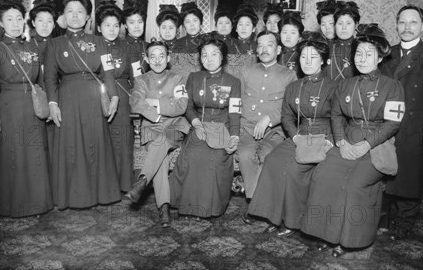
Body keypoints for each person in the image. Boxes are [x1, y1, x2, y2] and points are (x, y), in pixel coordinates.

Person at [303, 24, 405, 257]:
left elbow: (393, 123)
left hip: (377, 145)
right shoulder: (345, 84)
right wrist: (341, 141)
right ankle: (325, 234)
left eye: (369, 54)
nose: (362, 58)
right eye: (358, 53)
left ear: (379, 57)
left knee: (352, 184)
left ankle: (349, 240)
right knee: (323, 175)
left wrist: (366, 144)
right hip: (347, 140)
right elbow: (337, 115)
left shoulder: (393, 87)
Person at [248, 31, 337, 237]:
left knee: (294, 170)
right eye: (303, 57)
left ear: (323, 60)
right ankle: (272, 216)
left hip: (324, 136)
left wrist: (330, 142)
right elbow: (287, 116)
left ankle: (292, 221)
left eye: (313, 57)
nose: (307, 62)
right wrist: (295, 136)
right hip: (300, 134)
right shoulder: (294, 86)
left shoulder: (334, 86)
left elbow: (338, 118)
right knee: (273, 161)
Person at [44, 0, 121, 209]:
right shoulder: (54, 44)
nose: (75, 15)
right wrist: (52, 103)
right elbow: (49, 77)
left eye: (80, 11)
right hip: (67, 99)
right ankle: (72, 197)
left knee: (94, 145)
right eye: (70, 11)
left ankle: (101, 194)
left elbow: (107, 73)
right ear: (63, 16)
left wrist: (114, 98)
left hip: (94, 99)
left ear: (88, 16)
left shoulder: (100, 42)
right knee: (71, 148)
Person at [0, 0, 52, 217]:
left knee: (34, 155)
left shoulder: (33, 48)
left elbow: (40, 81)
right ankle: (9, 204)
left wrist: (46, 106)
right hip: (8, 109)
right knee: (11, 156)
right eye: (9, 19)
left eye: (19, 18)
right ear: (0, 23)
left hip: (32, 107)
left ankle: (37, 203)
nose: (15, 23)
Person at [380, 5, 423, 230]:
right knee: (385, 170)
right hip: (387, 125)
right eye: (402, 22)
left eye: (412, 22)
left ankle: (403, 223)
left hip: (417, 127)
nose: (407, 27)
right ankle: (382, 219)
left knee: (410, 175)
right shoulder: (385, 54)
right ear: (397, 25)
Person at [169, 38, 241, 218]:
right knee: (192, 155)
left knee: (215, 159)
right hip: (199, 125)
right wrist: (195, 122)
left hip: (222, 127)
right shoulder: (194, 78)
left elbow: (234, 113)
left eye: (214, 54)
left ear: (223, 56)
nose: (209, 59)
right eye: (204, 55)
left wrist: (234, 136)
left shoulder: (233, 82)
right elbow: (187, 106)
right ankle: (187, 206)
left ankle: (212, 207)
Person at [126, 41, 190, 227]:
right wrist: (156, 115)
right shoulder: (141, 80)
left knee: (161, 141)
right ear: (146, 59)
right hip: (151, 127)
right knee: (160, 160)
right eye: (152, 56)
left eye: (161, 55)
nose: (157, 60)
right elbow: (136, 103)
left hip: (175, 127)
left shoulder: (178, 78)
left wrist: (154, 102)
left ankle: (142, 181)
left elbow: (181, 106)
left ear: (168, 58)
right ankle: (164, 208)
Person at [237, 31, 298, 223]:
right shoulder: (247, 71)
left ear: (279, 49)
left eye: (269, 45)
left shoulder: (288, 75)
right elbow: (237, 100)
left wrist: (270, 119)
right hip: (247, 129)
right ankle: (255, 204)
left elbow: (291, 107)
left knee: (268, 157)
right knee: (246, 155)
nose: (264, 49)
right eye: (260, 45)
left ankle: (261, 205)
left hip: (274, 132)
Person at [95, 0, 134, 192]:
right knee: (100, 140)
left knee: (122, 142)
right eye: (107, 25)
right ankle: (102, 184)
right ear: (98, 26)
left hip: (122, 95)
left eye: (116, 25)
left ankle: (123, 183)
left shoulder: (127, 46)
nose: (112, 29)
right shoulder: (92, 46)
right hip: (97, 95)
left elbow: (136, 75)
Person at [28, 0, 58, 163]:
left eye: (49, 21)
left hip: (59, 104)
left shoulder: (61, 45)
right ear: (33, 23)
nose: (45, 25)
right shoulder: (28, 47)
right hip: (36, 105)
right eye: (40, 21)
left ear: (54, 24)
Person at [329, 3, 360, 80]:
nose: (344, 28)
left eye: (348, 23)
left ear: (356, 25)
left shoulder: (361, 48)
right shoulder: (328, 47)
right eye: (340, 23)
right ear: (334, 25)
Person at [122, 0, 149, 78]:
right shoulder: (120, 45)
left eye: (140, 22)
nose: (137, 26)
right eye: (132, 22)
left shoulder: (148, 46)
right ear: (125, 25)